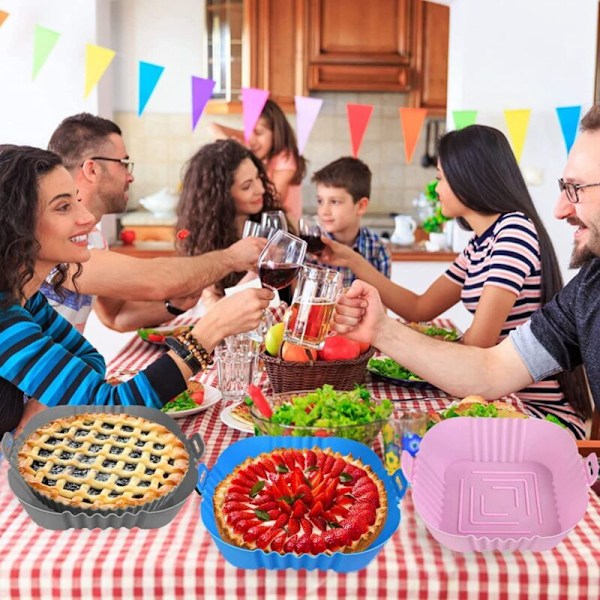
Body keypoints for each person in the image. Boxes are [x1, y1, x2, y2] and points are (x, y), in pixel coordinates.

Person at [332, 107, 600, 436]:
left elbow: (479, 345)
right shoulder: (484, 244)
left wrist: (397, 338)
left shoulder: (513, 231)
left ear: (467, 177)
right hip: (499, 393)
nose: (436, 189)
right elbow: (427, 314)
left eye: (440, 178)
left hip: (534, 411)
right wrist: (359, 275)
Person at [0, 144, 273, 437]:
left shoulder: (28, 301)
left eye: (77, 201)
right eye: (63, 207)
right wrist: (209, 332)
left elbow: (90, 359)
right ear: (17, 223)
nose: (87, 218)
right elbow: (113, 410)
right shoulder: (5, 319)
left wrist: (46, 399)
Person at [42, 113, 266, 332]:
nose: (131, 176)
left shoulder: (93, 236)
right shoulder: (55, 237)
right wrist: (233, 257)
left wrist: (174, 305)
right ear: (92, 169)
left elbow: (116, 316)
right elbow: (157, 279)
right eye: (124, 163)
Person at [176, 139, 288, 307]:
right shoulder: (203, 242)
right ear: (221, 196)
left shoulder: (273, 221)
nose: (261, 190)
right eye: (247, 186)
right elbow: (214, 310)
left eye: (258, 178)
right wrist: (257, 272)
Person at [209, 100, 307, 221]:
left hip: (285, 229)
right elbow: (213, 127)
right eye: (248, 132)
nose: (251, 141)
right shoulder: (263, 153)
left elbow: (272, 200)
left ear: (277, 133)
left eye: (259, 133)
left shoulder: (286, 158)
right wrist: (235, 147)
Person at [311, 156, 391, 288]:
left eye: (334, 202)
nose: (324, 211)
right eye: (320, 201)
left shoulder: (378, 250)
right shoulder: (312, 249)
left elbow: (382, 306)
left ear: (361, 206)